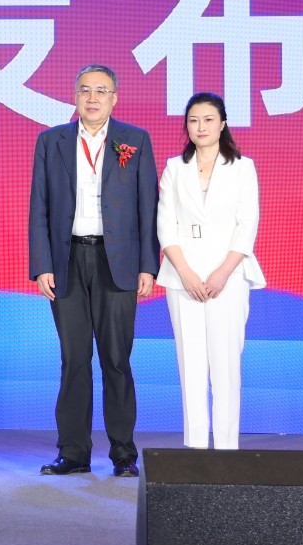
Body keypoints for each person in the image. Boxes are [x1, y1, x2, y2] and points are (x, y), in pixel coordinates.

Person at [28, 64, 158, 478]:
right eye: (85, 90)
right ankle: (73, 452)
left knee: (116, 359)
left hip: (116, 263)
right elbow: (39, 207)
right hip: (66, 261)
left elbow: (148, 208)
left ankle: (123, 454)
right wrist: (42, 265)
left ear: (114, 98)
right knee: (74, 359)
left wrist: (148, 265)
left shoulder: (135, 140)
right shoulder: (51, 141)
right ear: (75, 96)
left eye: (101, 90)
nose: (93, 97)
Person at [156, 92, 265, 451]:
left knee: (225, 365)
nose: (200, 127)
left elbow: (247, 225)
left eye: (207, 120)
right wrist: (185, 273)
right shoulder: (175, 168)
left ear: (222, 124)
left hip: (227, 277)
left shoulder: (242, 167)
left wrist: (223, 273)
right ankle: (196, 449)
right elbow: (165, 226)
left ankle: (227, 449)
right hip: (182, 278)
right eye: (193, 120)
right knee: (190, 364)